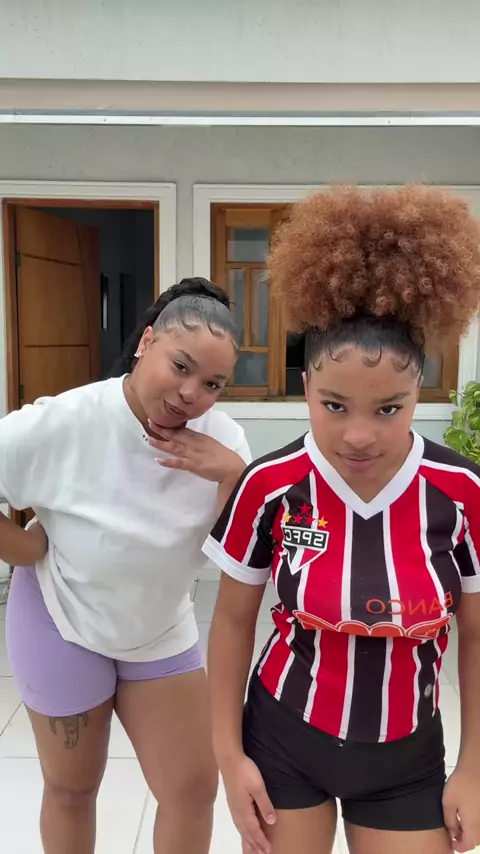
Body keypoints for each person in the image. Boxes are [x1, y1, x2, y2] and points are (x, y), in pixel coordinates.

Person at [204, 186, 480, 854]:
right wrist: (230, 760)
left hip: (406, 757)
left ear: (420, 391)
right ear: (305, 388)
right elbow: (232, 622)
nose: (359, 435)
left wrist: (474, 767)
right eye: (334, 405)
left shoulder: (461, 492)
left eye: (389, 408)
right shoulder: (269, 485)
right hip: (282, 739)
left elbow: (476, 635)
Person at [3, 277, 251, 854]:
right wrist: (26, 550)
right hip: (62, 620)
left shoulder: (223, 441)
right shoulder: (66, 422)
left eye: (212, 384)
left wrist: (234, 476)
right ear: (146, 342)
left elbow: (243, 549)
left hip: (158, 628)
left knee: (192, 790)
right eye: (180, 366)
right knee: (73, 787)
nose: (191, 394)